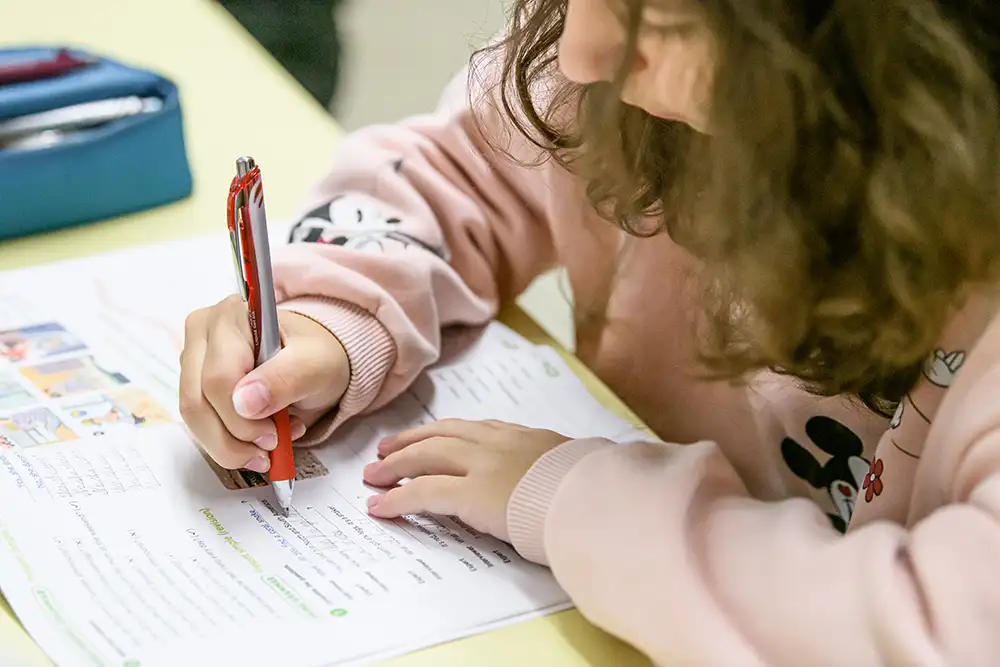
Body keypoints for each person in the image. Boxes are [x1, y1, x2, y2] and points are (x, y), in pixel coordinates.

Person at [179, 0, 1000, 663]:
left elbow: (938, 631)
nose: (580, 52)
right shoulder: (602, 53)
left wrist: (573, 497)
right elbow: (461, 171)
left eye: (665, 21)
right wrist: (339, 316)